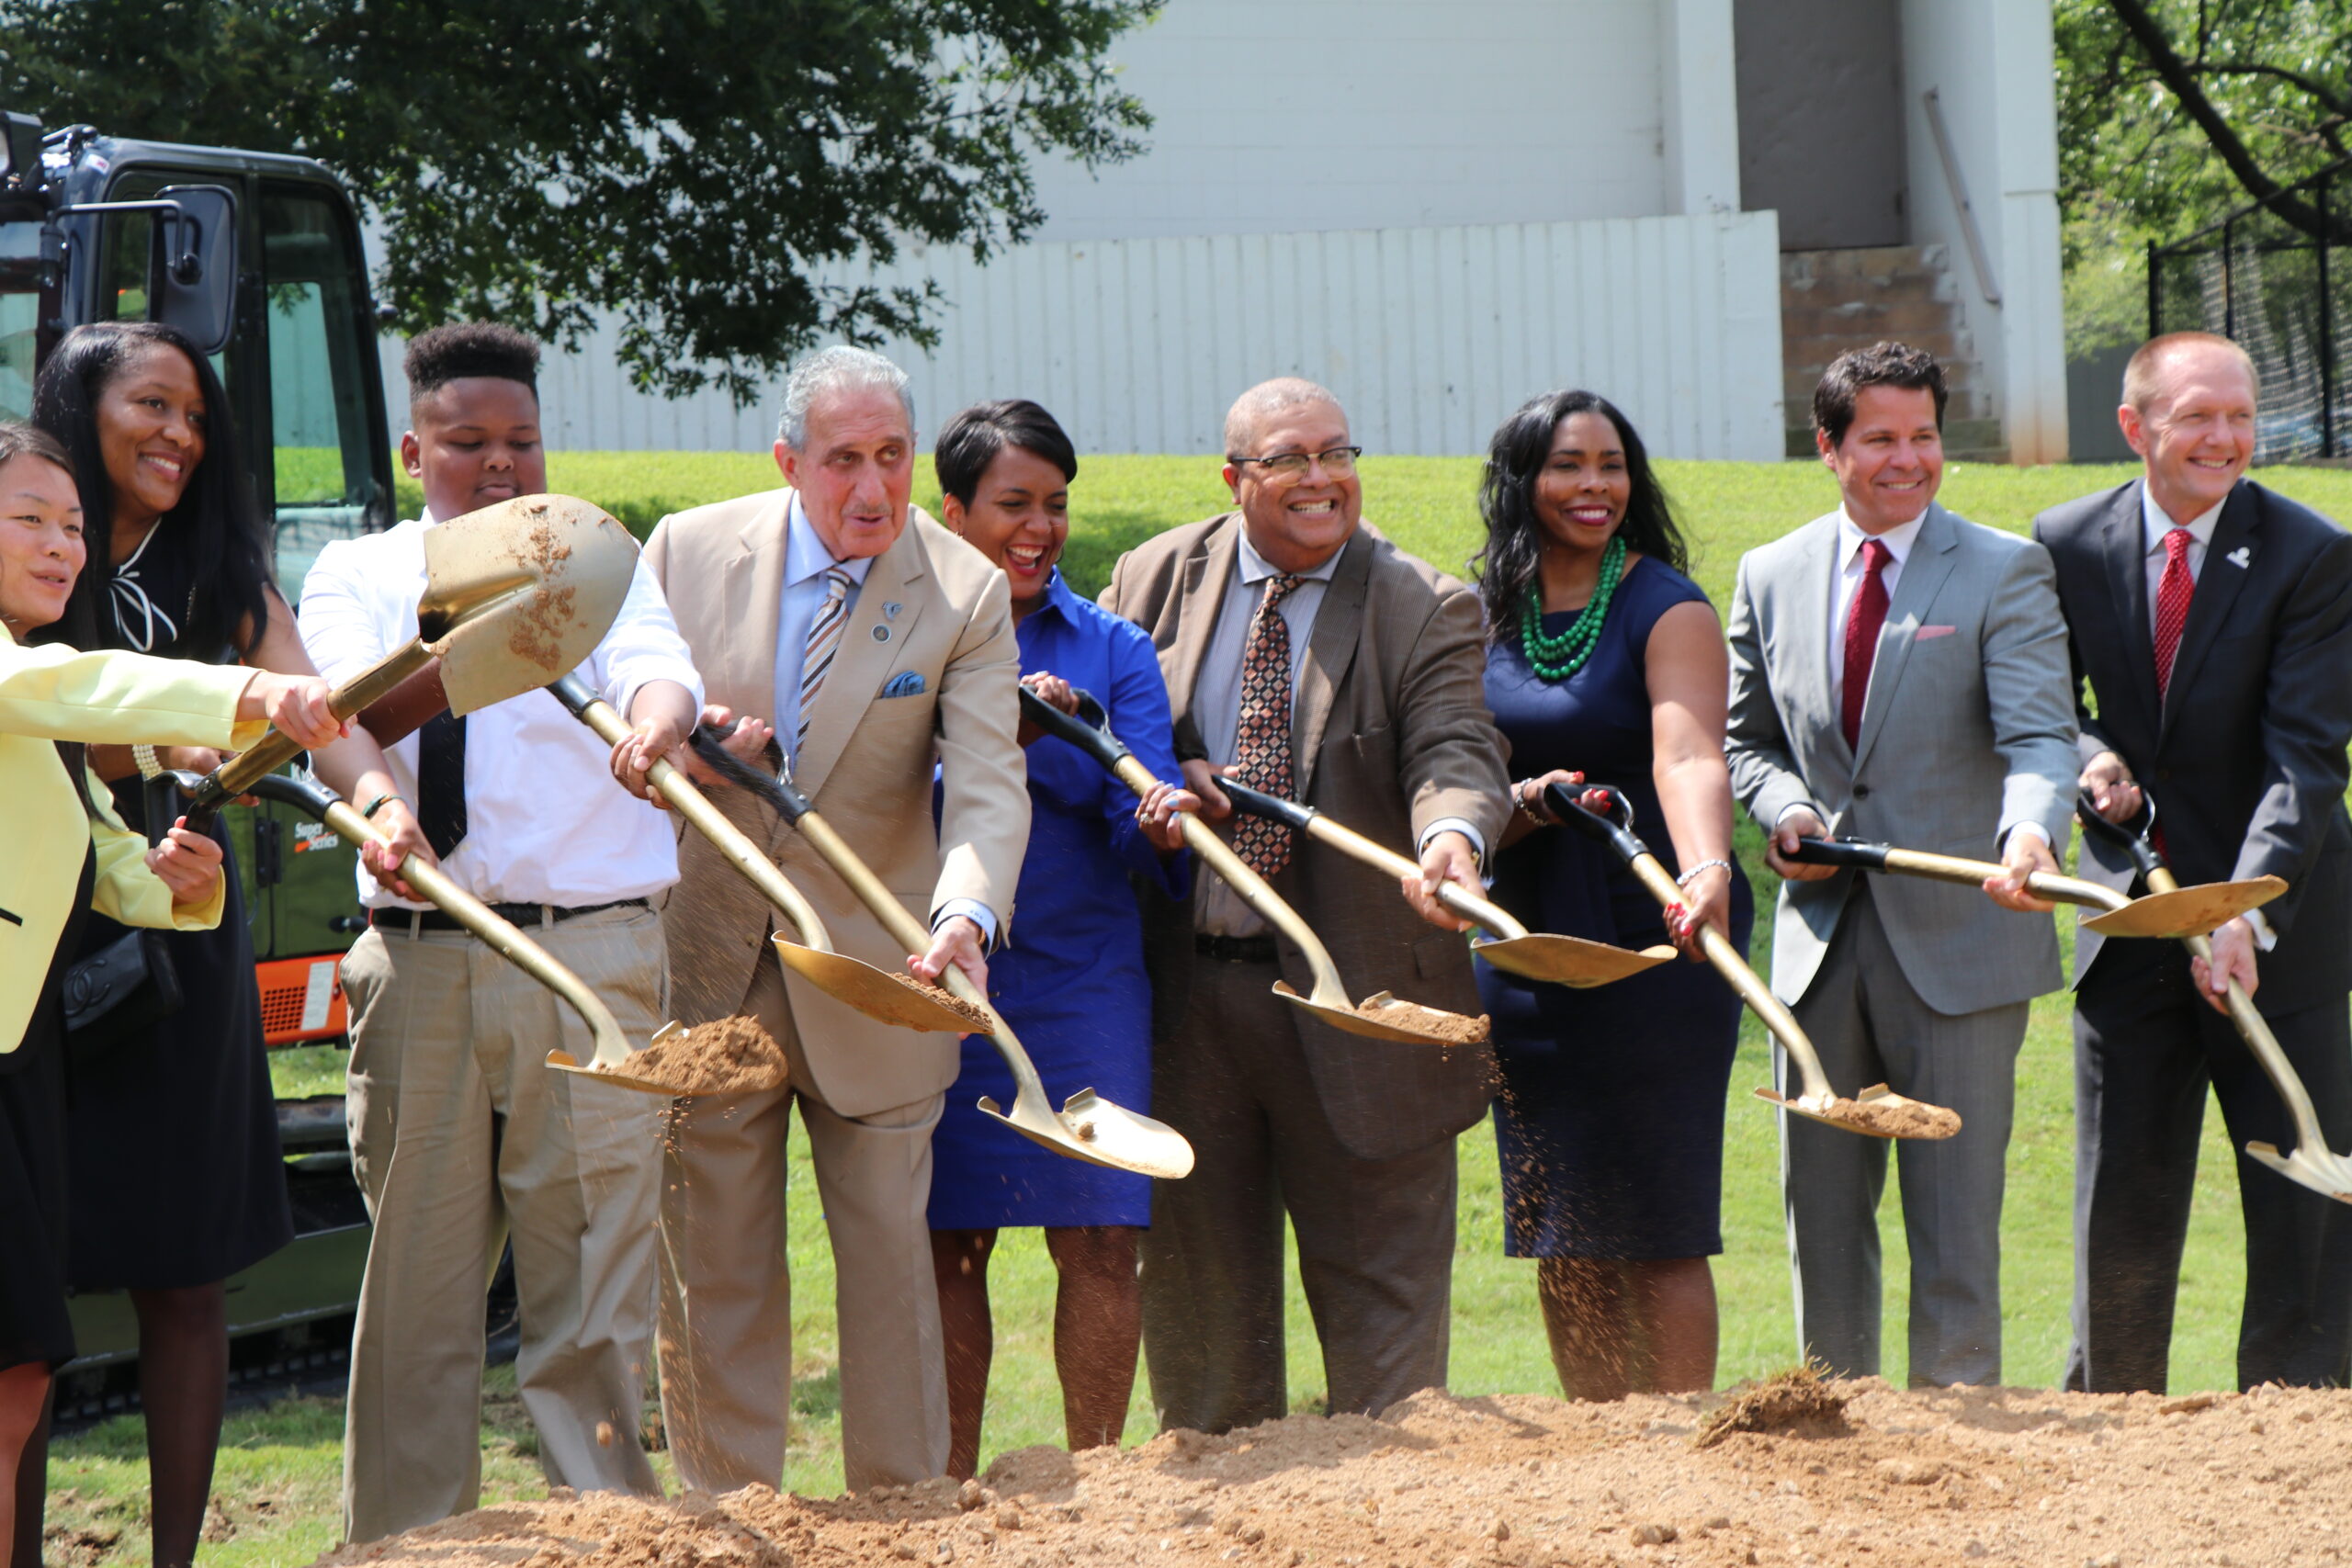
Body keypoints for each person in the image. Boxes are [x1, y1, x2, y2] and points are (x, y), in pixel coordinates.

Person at [297, 323, 706, 1543]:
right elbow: (344, 715)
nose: (499, 464)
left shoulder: (597, 556)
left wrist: (658, 720)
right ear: (412, 450)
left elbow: (659, 668)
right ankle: (404, 1544)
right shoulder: (356, 571)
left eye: (521, 441)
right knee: (417, 1290)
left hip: (590, 954)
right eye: (468, 441)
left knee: (593, 1282)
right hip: (420, 957)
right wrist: (385, 797)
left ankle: (610, 1535)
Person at [25, 321, 424, 1568]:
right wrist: (174, 735)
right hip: (33, 927)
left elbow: (321, 712)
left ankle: (177, 1558)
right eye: (153, 405)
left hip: (179, 919)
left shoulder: (223, 570)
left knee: (186, 1272)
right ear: (79, 408)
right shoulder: (27, 546)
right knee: (21, 1298)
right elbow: (58, 703)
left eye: (197, 416)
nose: (180, 436)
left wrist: (382, 804)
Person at [642, 346, 1029, 1494]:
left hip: (883, 973)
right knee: (712, 1264)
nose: (873, 488)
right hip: (707, 957)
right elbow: (617, 723)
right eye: (843, 460)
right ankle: (729, 1518)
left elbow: (989, 783)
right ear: (787, 461)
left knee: (891, 1271)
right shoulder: (684, 550)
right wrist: (685, 752)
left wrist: (967, 913)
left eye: (892, 456)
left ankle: (902, 1517)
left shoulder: (964, 589)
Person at [1099, 377, 1510, 1433]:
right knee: (1203, 1343)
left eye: (1337, 453)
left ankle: (1398, 1515)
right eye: (1288, 458)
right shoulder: (1149, 578)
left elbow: (1455, 749)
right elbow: (1105, 735)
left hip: (1362, 1000)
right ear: (1234, 477)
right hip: (1187, 1004)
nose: (1321, 477)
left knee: (1389, 1358)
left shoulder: (1422, 603)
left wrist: (1452, 839)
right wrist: (1155, 779)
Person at [0, 420, 340, 1568]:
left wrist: (181, 887)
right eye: (30, 521)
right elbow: (85, 685)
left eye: (73, 526)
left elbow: (107, 854)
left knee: (16, 1379)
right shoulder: (27, 675)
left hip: (18, 1061)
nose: (63, 546)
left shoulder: (29, 689)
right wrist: (255, 693)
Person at [1724, 341, 2077, 1388]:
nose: (1907, 458)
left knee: (1955, 1231)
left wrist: (2029, 833)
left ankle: (1958, 1442)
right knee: (1824, 1230)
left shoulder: (2005, 567)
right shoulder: (1768, 573)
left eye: (1924, 436)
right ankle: (1834, 1433)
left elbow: (2039, 737)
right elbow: (1747, 742)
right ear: (1828, 447)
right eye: (1880, 438)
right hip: (1816, 950)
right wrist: (1785, 809)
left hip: (1964, 944)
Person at [2034, 331, 2352, 1393]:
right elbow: (2044, 707)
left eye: (2240, 417)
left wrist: (2243, 913)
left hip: (2279, 933)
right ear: (2134, 426)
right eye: (2196, 417)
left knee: (2300, 1206)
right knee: (2121, 1195)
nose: (2224, 438)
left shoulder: (2312, 554)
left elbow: (2305, 757)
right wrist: (2089, 756)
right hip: (2130, 923)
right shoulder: (2063, 542)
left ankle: (2295, 1430)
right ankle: (2112, 1421)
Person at [922, 400, 1194, 1478]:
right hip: (943, 976)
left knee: (1101, 1232)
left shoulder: (1113, 647)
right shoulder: (907, 630)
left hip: (1085, 980)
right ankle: (947, 1489)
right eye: (1013, 505)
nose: (1039, 530)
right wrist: (999, 728)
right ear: (953, 514)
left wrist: (1159, 821)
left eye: (1055, 505)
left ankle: (1102, 1483)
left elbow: (1142, 816)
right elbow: (874, 797)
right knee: (948, 1241)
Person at [1467, 389, 1752, 1401]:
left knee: (1658, 1216)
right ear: (1522, 480)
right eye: (1567, 465)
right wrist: (1518, 806)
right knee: (1564, 1221)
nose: (1594, 485)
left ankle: (1674, 1440)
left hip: (1653, 935)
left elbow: (1688, 755)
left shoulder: (1667, 605)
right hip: (1526, 938)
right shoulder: (1479, 612)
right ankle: (1599, 1453)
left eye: (1611, 464)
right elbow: (1460, 779)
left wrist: (1705, 869)